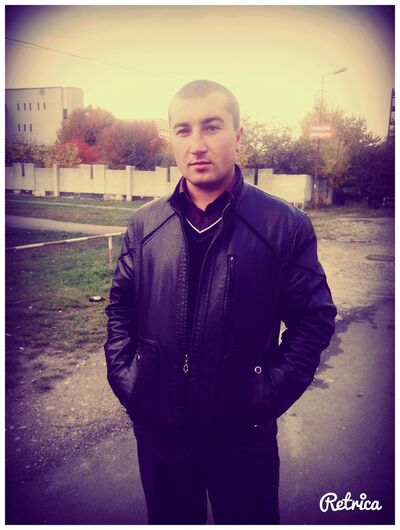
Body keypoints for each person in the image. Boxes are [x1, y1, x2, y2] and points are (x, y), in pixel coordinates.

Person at [104, 79, 337, 524]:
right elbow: (120, 308)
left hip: (242, 442)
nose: (197, 144)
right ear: (172, 139)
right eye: (183, 130)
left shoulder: (283, 225)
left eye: (211, 127)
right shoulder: (144, 225)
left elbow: (314, 321)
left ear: (238, 135)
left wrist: (264, 396)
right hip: (161, 438)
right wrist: (128, 379)